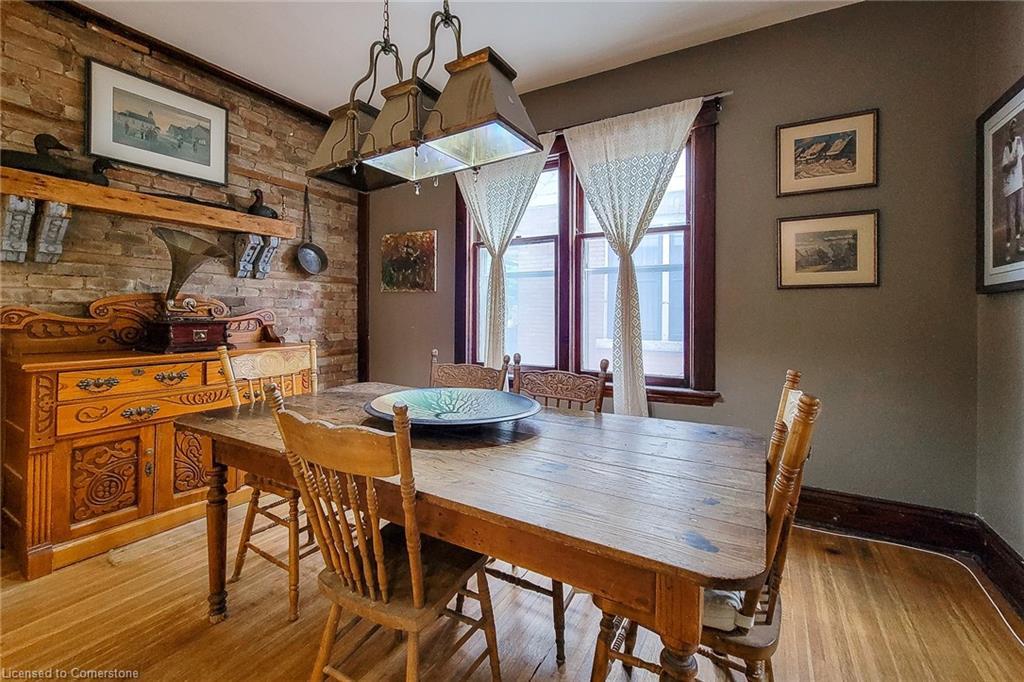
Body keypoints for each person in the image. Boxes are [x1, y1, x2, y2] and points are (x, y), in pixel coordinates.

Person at [1001, 117, 1024, 261]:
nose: (1013, 131)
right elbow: (1004, 167)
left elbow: (1019, 160)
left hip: (1018, 184)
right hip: (1009, 186)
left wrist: (1012, 164)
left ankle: (1020, 245)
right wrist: (1011, 164)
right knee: (1010, 218)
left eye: (1014, 129)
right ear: (1008, 132)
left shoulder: (1019, 142)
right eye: (1011, 129)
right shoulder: (1006, 148)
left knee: (1019, 215)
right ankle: (1008, 249)